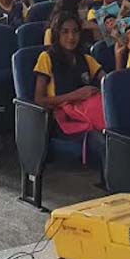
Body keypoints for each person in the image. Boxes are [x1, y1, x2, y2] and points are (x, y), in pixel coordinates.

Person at [33, 10, 107, 168]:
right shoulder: (46, 58)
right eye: (65, 32)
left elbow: (109, 84)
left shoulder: (86, 59)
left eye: (75, 32)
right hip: (63, 120)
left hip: (88, 114)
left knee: (117, 136)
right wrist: (76, 95)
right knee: (103, 142)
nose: (71, 37)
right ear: (56, 34)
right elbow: (39, 100)